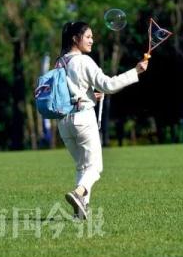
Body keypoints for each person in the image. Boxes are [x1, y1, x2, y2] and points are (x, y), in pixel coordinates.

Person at [57, 21, 148, 219]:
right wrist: (136, 71)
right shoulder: (84, 61)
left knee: (82, 166)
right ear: (76, 39)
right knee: (95, 167)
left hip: (64, 123)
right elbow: (108, 84)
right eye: (88, 37)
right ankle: (78, 193)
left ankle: (80, 214)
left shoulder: (60, 62)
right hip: (82, 119)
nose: (92, 40)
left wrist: (91, 96)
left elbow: (69, 92)